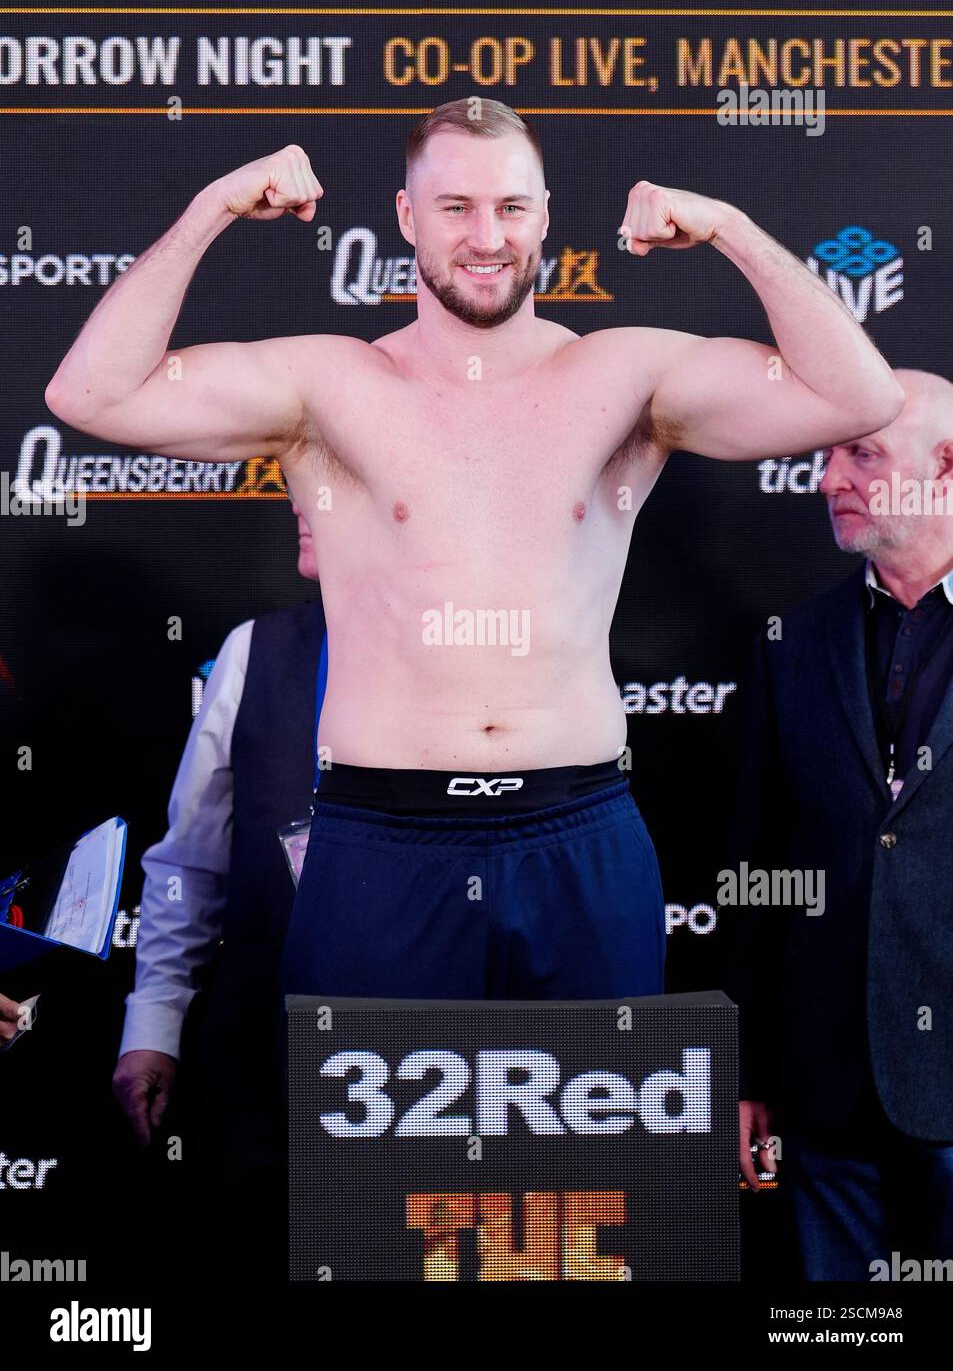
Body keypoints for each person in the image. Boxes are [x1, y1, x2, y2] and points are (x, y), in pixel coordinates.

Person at [45, 97, 903, 1010]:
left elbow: (858, 396)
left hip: (578, 833)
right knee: (376, 1159)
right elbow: (92, 395)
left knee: (591, 1154)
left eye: (510, 208)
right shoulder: (326, 386)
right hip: (381, 841)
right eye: (453, 207)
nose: (485, 236)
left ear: (544, 216)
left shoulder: (624, 377)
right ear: (408, 219)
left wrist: (730, 228)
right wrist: (214, 204)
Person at [725, 369, 953, 1280]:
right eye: (826, 455)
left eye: (861, 453)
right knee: (843, 1331)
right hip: (825, 1084)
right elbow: (754, 865)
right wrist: (750, 1071)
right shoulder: (793, 642)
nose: (827, 478)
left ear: (944, 466)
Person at [111, 492, 326, 1275]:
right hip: (257, 1058)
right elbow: (189, 863)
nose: (306, 499)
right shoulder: (255, 651)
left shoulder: (500, 658)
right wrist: (155, 1023)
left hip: (423, 1058)